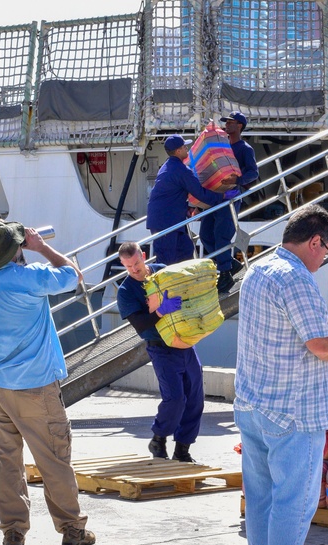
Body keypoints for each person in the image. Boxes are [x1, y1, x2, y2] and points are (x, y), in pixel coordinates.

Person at [235, 203, 328, 545]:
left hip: (253, 403)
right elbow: (319, 345)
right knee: (294, 500)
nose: (325, 258)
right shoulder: (297, 279)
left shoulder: (257, 270)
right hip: (293, 411)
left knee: (262, 497)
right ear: (315, 241)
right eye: (326, 249)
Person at [0, 220, 95, 545]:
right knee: (53, 459)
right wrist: (41, 246)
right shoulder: (31, 278)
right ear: (15, 249)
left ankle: (13, 531)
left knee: (6, 464)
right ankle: (72, 529)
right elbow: (73, 274)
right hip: (35, 386)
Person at [115, 242, 202, 463]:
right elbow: (141, 324)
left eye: (136, 263)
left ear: (143, 256)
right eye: (128, 267)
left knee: (194, 398)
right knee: (175, 399)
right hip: (160, 347)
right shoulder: (126, 292)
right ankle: (159, 438)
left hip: (184, 342)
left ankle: (183, 449)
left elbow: (186, 292)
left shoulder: (163, 270)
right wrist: (161, 311)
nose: (134, 270)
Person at [147, 134, 237, 265]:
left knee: (186, 251)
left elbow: (173, 194)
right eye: (184, 147)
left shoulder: (169, 166)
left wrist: (187, 208)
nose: (187, 149)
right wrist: (222, 196)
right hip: (165, 223)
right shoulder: (181, 170)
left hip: (167, 219)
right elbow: (200, 193)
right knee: (166, 261)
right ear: (178, 151)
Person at [199, 112, 259, 294]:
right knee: (205, 235)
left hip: (231, 198)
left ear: (240, 126)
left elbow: (253, 173)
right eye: (226, 122)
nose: (227, 125)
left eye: (230, 122)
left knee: (221, 235)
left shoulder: (245, 149)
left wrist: (237, 179)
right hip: (214, 197)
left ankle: (225, 274)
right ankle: (230, 263)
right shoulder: (221, 146)